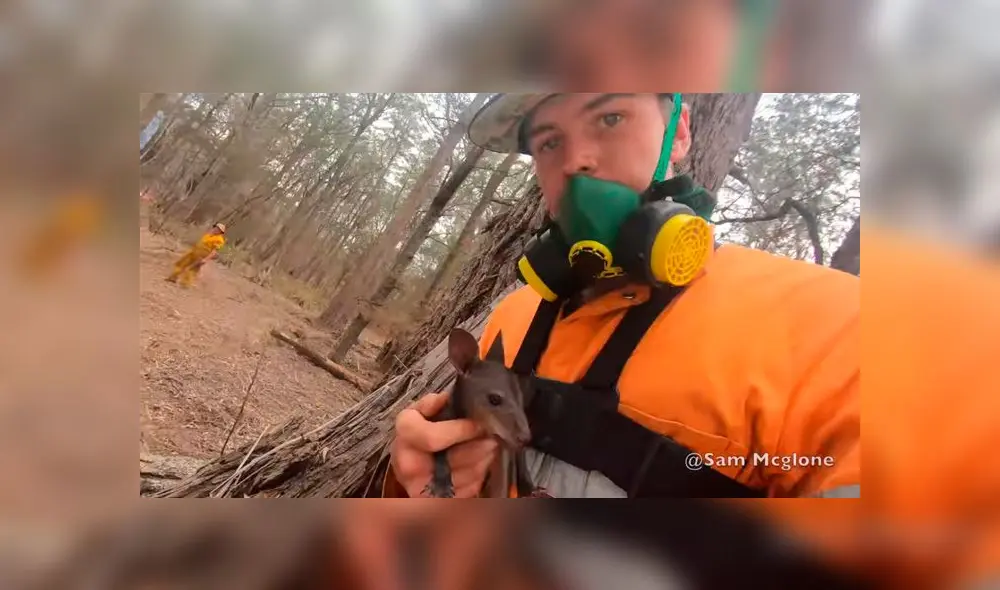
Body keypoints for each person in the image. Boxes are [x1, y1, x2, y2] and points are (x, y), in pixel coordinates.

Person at [383, 92, 860, 499]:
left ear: (679, 133)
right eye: (549, 142)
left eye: (610, 118)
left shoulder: (838, 326)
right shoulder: (516, 314)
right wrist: (416, 479)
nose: (575, 162)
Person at [166, 222, 226, 287]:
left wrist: (205, 259)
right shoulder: (208, 235)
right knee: (181, 263)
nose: (215, 229)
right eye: (215, 227)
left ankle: (185, 284)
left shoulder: (219, 240)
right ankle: (173, 277)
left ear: (221, 232)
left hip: (201, 255)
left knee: (192, 269)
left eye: (218, 229)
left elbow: (214, 252)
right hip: (194, 251)